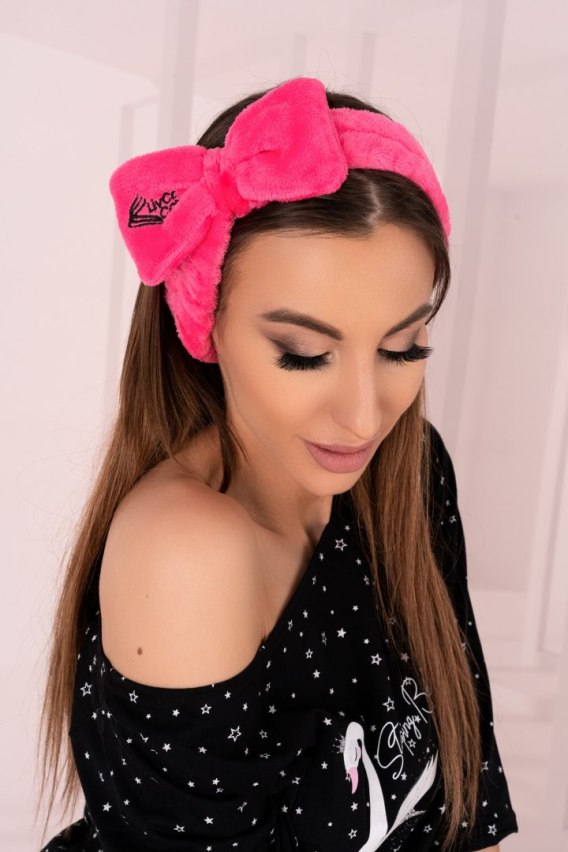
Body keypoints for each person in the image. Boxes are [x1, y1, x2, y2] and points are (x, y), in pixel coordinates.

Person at [36, 76, 518, 852]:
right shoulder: (188, 550)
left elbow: (468, 798)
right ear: (205, 324)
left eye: (403, 347)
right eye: (303, 354)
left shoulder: (413, 470)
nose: (365, 417)